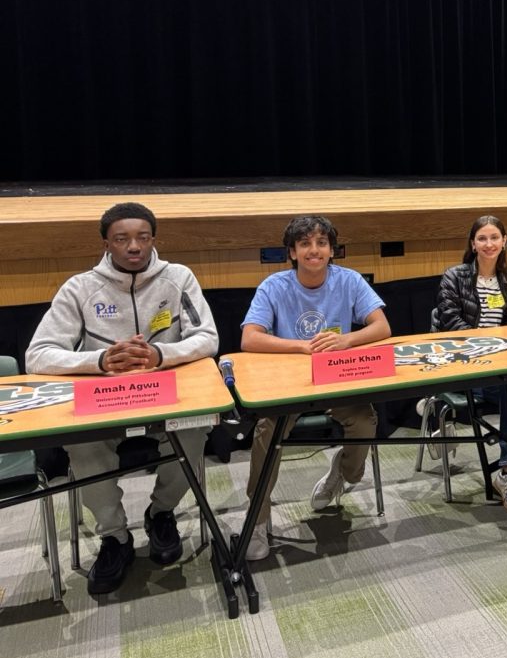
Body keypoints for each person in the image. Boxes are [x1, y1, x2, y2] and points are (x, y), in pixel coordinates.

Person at [26, 202, 218, 595]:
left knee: (196, 429)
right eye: (122, 239)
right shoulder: (79, 288)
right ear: (106, 243)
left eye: (142, 237)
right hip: (105, 402)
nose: (134, 246)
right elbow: (38, 354)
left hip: (165, 399)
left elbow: (208, 338)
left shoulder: (178, 278)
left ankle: (160, 514)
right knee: (83, 445)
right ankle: (115, 538)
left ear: (153, 240)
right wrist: (98, 360)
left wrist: (161, 355)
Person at [240, 215, 391, 560]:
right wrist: (301, 346)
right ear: (292, 252)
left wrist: (345, 341)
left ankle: (343, 469)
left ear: (331, 250)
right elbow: (249, 338)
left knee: (365, 421)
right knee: (267, 432)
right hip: (290, 384)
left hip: (337, 378)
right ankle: (258, 520)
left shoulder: (349, 280)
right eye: (305, 244)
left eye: (321, 243)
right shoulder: (274, 286)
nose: (314, 250)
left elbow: (382, 327)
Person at [433, 215, 507, 516]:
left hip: (498, 370)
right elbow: (451, 324)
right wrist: (487, 348)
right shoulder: (454, 277)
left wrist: (499, 354)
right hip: (463, 368)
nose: (489, 243)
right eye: (482, 238)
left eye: (495, 237)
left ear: (504, 242)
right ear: (473, 244)